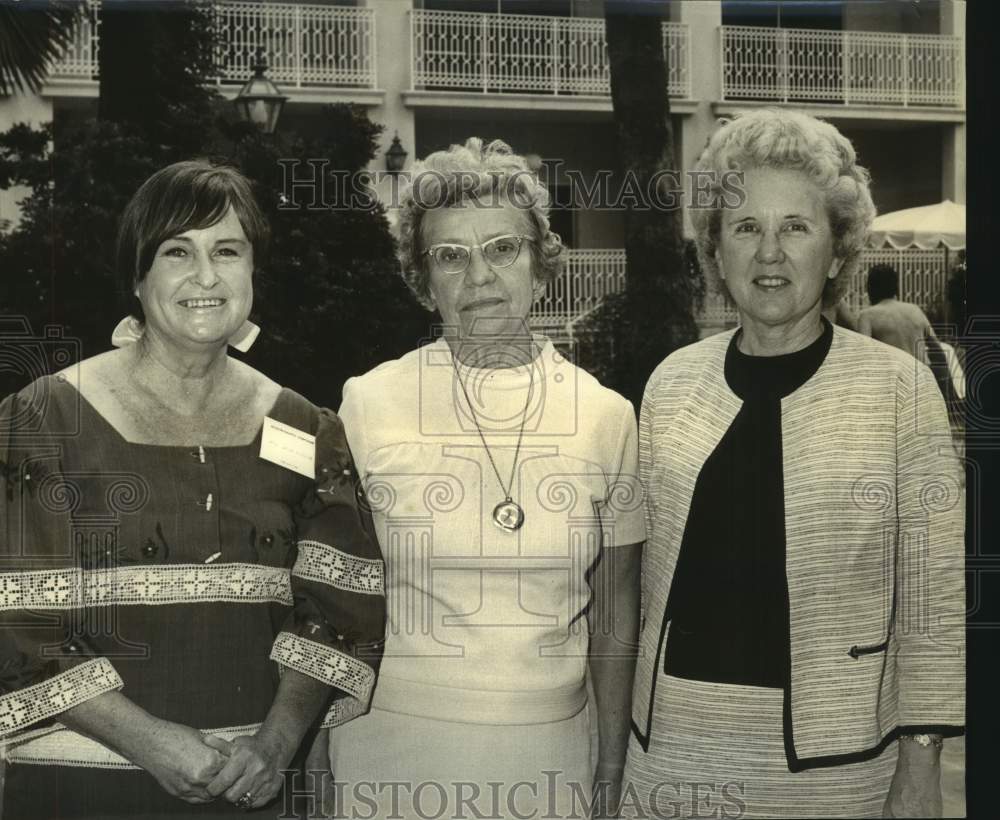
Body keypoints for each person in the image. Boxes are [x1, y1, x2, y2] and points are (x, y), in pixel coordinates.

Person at [0, 160, 386, 818]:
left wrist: (276, 746)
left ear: (253, 271)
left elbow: (339, 610)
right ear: (137, 275)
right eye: (177, 251)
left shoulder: (305, 426)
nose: (206, 276)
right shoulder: (43, 420)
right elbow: (18, 624)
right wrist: (151, 744)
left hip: (254, 789)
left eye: (227, 251)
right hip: (83, 790)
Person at [623, 110, 964, 819]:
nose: (769, 252)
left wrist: (921, 762)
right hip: (673, 754)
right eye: (746, 227)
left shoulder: (899, 389)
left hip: (841, 766)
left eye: (797, 227)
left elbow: (932, 596)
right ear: (717, 251)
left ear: (837, 253)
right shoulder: (670, 384)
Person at [324, 138, 645, 819]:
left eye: (502, 248)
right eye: (450, 256)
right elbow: (332, 597)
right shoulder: (368, 403)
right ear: (423, 280)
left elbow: (615, 615)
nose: (479, 277)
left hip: (551, 755)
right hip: (389, 752)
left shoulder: (606, 416)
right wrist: (316, 762)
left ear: (540, 264)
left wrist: (611, 769)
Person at [859, 262, 958, 404]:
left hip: (894, 387)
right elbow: (938, 350)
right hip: (922, 382)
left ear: (870, 289)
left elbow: (864, 357)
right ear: (896, 287)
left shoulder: (867, 316)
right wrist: (948, 390)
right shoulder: (914, 310)